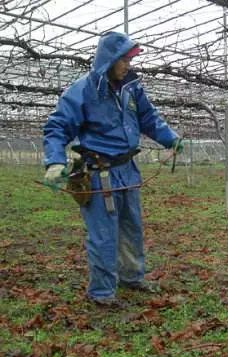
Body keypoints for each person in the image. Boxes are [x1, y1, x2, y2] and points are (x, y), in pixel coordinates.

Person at [43, 31, 183, 307]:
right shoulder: (83, 91)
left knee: (132, 227)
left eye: (130, 59)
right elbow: (58, 127)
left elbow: (149, 118)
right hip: (99, 174)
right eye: (124, 59)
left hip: (127, 169)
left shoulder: (132, 88)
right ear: (110, 60)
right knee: (104, 234)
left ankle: (132, 276)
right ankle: (103, 293)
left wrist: (171, 138)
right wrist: (55, 161)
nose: (128, 65)